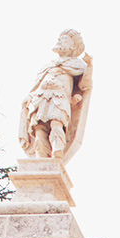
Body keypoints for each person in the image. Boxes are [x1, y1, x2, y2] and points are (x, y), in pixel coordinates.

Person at [19, 29, 93, 160]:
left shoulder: (77, 65)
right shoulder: (48, 66)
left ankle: (57, 152)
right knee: (39, 128)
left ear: (72, 46)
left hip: (60, 99)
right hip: (41, 98)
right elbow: (36, 85)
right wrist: (30, 96)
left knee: (56, 124)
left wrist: (89, 66)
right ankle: (41, 156)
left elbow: (84, 85)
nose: (59, 40)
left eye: (64, 39)